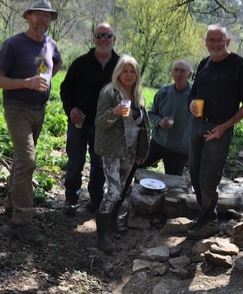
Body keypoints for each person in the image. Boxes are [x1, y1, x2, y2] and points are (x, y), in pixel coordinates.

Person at [0, 0, 62, 244]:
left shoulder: (50, 45)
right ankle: (22, 222)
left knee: (21, 159)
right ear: (28, 16)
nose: (43, 19)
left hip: (39, 110)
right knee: (28, 160)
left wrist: (46, 79)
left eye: (47, 16)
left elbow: (56, 63)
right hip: (16, 108)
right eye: (39, 14)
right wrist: (26, 83)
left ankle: (12, 204)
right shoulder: (13, 44)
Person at [186, 24, 243, 240]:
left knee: (208, 178)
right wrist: (191, 104)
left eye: (220, 40)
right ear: (206, 42)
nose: (216, 44)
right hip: (198, 124)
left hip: (220, 128)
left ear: (228, 41)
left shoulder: (239, 65)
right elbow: (193, 94)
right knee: (195, 173)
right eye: (212, 40)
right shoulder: (204, 63)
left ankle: (210, 222)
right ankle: (205, 215)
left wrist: (224, 127)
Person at [60, 23, 119, 216]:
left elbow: (129, 92)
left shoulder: (120, 66)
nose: (103, 39)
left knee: (99, 166)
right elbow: (65, 89)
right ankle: (71, 199)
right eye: (99, 36)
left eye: (107, 36)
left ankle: (95, 201)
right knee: (75, 164)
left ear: (114, 39)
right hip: (79, 123)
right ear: (93, 39)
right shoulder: (80, 63)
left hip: (105, 126)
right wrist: (71, 109)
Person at [93, 55, 150, 253]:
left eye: (132, 71)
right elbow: (99, 122)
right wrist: (114, 112)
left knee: (123, 188)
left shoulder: (138, 95)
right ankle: (101, 235)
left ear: (137, 75)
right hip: (111, 149)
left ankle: (112, 222)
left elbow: (142, 126)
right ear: (118, 72)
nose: (129, 75)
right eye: (125, 71)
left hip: (130, 151)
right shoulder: (109, 92)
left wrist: (141, 151)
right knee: (113, 191)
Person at [142, 60, 193, 175]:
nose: (178, 74)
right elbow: (151, 114)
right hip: (157, 142)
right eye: (176, 70)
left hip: (179, 149)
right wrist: (159, 122)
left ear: (189, 75)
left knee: (173, 180)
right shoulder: (163, 92)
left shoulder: (194, 96)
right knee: (136, 166)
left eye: (182, 71)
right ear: (171, 73)